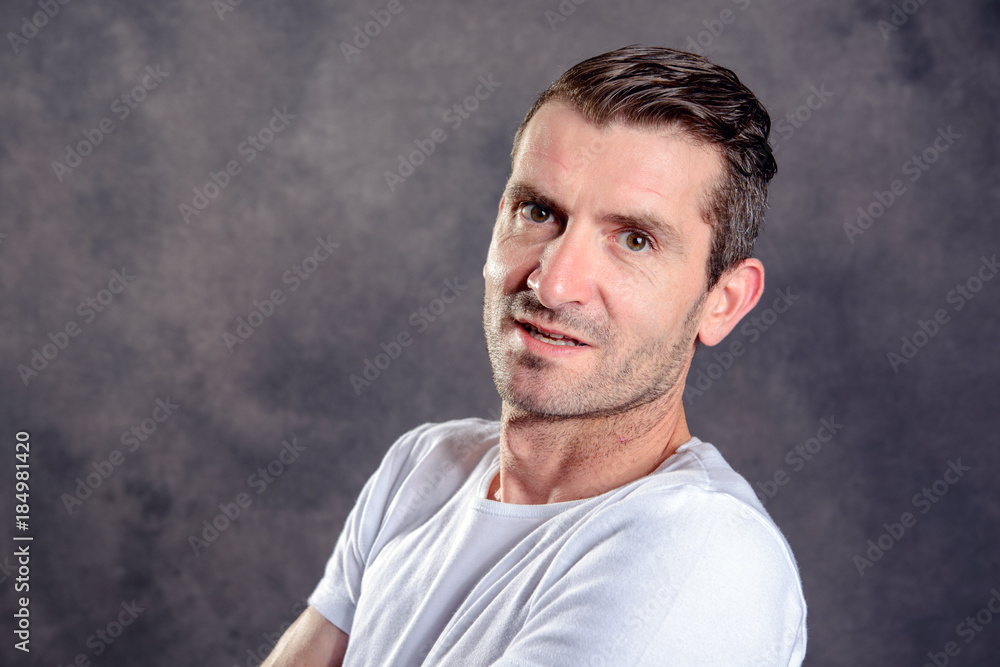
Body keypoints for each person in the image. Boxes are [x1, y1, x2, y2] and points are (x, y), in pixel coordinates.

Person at [264, 45, 807, 666]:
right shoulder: (423, 469)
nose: (552, 284)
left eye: (634, 240)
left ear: (724, 301)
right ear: (500, 219)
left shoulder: (703, 555)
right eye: (539, 212)